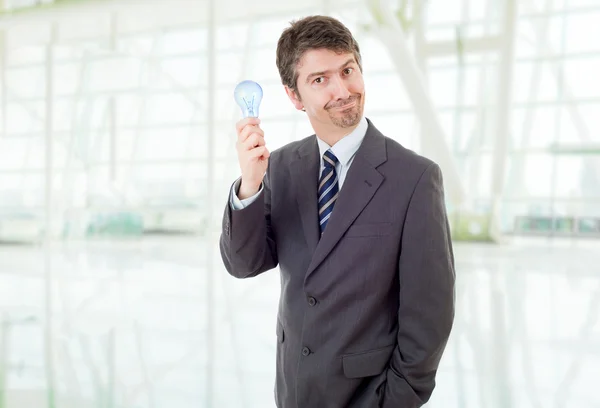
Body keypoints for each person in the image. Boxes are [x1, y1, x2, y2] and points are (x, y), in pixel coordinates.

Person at [219, 15, 455, 408]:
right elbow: (244, 264)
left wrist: (392, 401)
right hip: (295, 391)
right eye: (320, 80)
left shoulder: (415, 178)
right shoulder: (280, 167)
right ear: (295, 97)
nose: (343, 90)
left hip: (369, 396)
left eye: (348, 70)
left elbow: (429, 318)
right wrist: (250, 185)